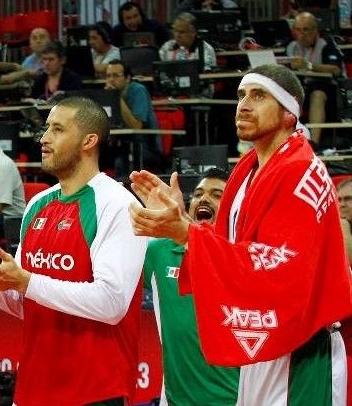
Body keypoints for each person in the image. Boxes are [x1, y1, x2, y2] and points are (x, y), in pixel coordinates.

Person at [129, 64, 352, 404]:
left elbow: (282, 266)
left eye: (258, 96)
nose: (244, 105)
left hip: (302, 349)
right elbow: (234, 253)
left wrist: (187, 233)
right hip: (268, 343)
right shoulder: (246, 172)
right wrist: (184, 222)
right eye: (241, 95)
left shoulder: (302, 170)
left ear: (289, 114)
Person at [0, 97, 148, 405]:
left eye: (57, 129)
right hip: (35, 387)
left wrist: (25, 282)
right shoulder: (38, 205)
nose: (44, 138)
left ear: (89, 141)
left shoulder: (117, 204)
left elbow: (112, 303)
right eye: (46, 128)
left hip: (95, 390)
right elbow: (28, 304)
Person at [143, 168, 239, 405]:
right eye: (198, 194)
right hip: (175, 399)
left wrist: (182, 223)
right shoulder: (158, 252)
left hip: (235, 398)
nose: (204, 199)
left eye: (217, 194)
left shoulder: (240, 253)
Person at [286, 11, 343, 144]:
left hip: (328, 90)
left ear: (315, 30)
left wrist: (309, 65)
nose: (301, 34)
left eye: (306, 30)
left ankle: (313, 144)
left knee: (317, 94)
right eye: (298, 30)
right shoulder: (292, 46)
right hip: (301, 89)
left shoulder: (326, 43)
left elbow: (335, 69)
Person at [104, 60, 163, 174]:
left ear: (128, 78)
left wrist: (116, 98)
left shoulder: (138, 91)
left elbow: (136, 126)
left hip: (144, 147)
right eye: (108, 76)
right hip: (120, 145)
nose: (111, 80)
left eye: (116, 75)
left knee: (120, 163)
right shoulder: (106, 93)